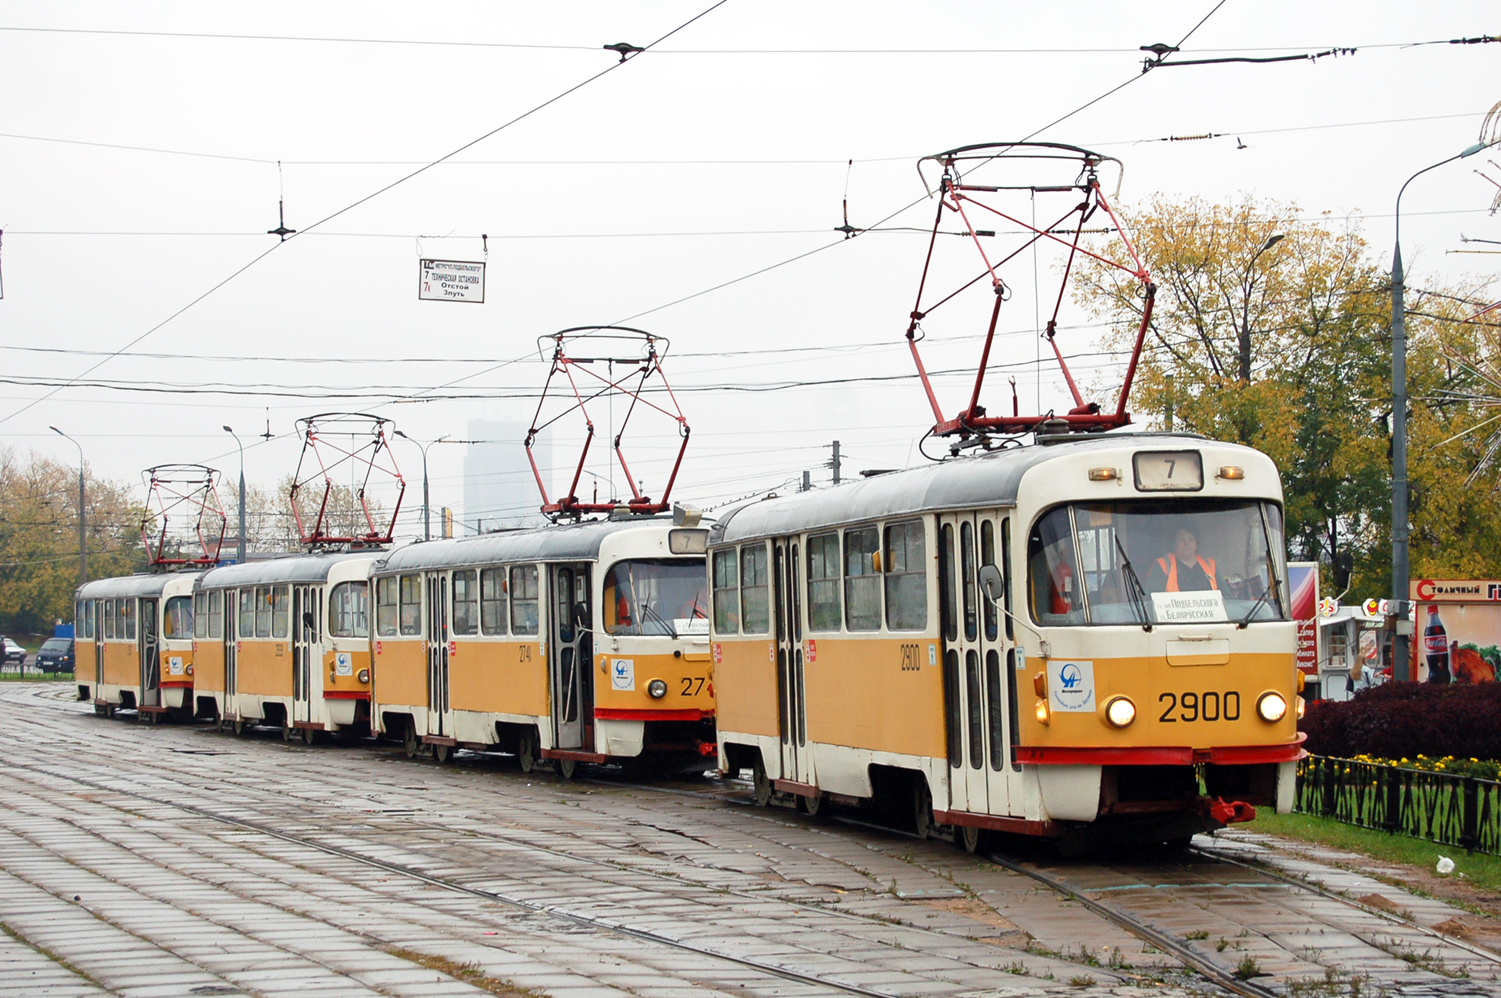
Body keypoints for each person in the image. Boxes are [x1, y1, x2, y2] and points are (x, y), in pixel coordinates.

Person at [1145, 526, 1218, 593]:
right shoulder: (1163, 565)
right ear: (1174, 543)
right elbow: (1152, 598)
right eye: (1181, 539)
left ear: (1196, 543)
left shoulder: (1210, 564)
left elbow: (1226, 597)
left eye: (1191, 539)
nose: (1186, 543)